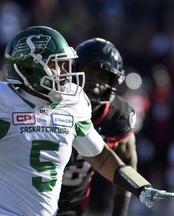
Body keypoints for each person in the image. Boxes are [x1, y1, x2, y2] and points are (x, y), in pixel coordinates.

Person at [0, 26, 174, 216]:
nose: (66, 73)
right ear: (30, 67)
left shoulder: (71, 103)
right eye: (57, 65)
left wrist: (141, 187)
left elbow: (102, 157)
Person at [57, 38, 137, 216]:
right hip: (32, 194)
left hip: (73, 203)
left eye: (102, 77)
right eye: (89, 73)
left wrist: (120, 212)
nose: (94, 82)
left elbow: (128, 162)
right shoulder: (53, 101)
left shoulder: (117, 116)